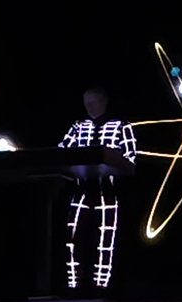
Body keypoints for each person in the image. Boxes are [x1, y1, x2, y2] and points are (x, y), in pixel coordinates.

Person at [57, 87, 137, 290]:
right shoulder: (78, 126)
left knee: (105, 240)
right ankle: (74, 283)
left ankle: (102, 284)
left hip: (108, 190)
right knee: (72, 237)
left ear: (103, 102)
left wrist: (111, 162)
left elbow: (130, 160)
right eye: (86, 103)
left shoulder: (121, 126)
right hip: (81, 189)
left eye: (92, 102)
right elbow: (60, 152)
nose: (89, 107)